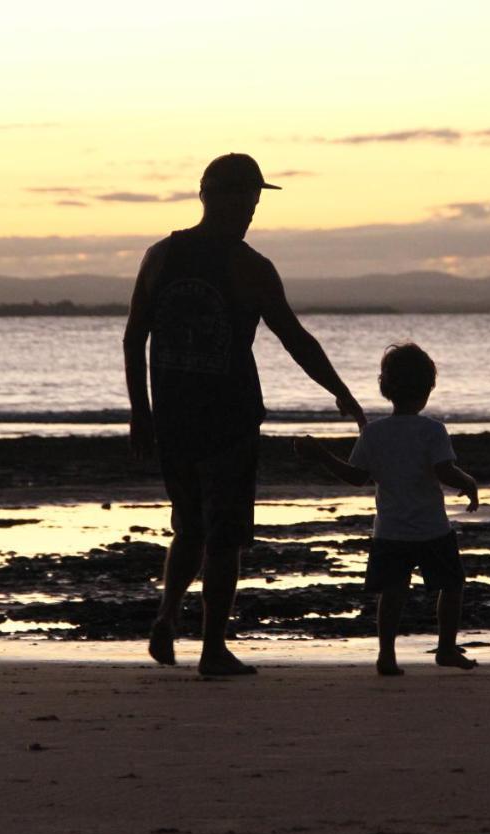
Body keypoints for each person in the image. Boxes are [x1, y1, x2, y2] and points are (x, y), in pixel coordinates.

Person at [124, 153, 366, 676]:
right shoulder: (241, 266)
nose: (252, 208)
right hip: (220, 420)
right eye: (245, 197)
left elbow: (135, 337)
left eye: (255, 198)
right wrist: (139, 412)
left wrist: (141, 412)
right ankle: (210, 648)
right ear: (214, 197)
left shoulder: (166, 256)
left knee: (193, 528)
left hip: (181, 417)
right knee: (221, 534)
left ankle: (168, 619)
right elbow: (294, 338)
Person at [294, 343, 479, 676]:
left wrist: (322, 454)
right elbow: (445, 472)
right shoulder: (432, 430)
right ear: (427, 389)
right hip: (432, 529)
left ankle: (387, 655)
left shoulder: (373, 433)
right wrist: (469, 482)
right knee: (451, 586)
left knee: (393, 593)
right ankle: (447, 648)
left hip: (390, 531)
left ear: (386, 388)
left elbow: (357, 477)